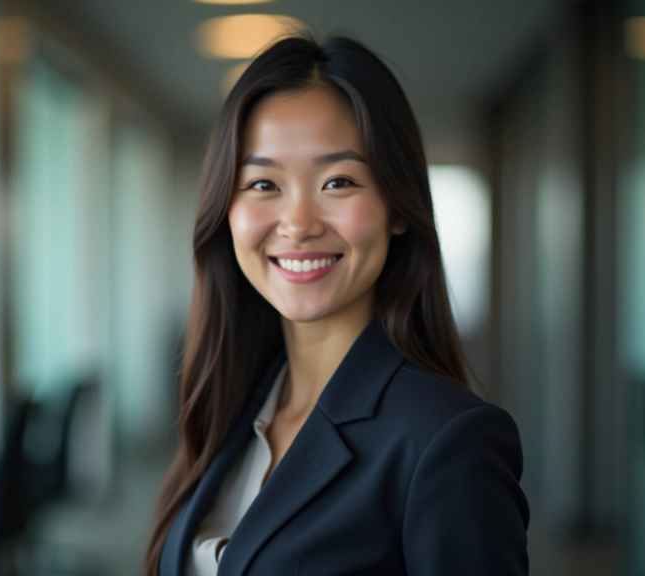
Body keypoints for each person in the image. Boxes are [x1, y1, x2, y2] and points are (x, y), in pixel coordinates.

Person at [144, 34, 529, 576]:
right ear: (225, 209)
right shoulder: (233, 405)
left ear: (398, 208)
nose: (299, 224)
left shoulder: (445, 441)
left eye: (338, 181)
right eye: (263, 183)